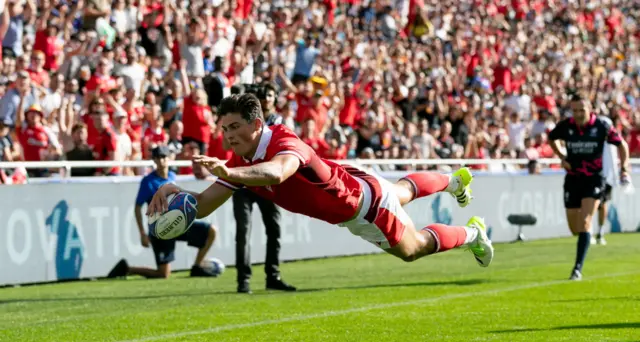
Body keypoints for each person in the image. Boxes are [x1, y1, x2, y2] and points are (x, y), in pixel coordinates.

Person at [147, 94, 493, 274]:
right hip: (355, 184)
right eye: (223, 129)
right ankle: (451, 179)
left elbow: (278, 173)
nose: (228, 136)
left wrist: (229, 174)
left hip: (364, 209)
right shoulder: (241, 161)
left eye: (234, 127)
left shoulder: (284, 142)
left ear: (256, 124)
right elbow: (205, 204)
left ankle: (474, 233)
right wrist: (173, 190)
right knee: (398, 192)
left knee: (413, 248)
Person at [548, 93, 631, 281]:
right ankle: (586, 237)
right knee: (575, 228)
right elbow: (551, 138)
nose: (578, 114)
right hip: (572, 178)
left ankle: (577, 269)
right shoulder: (566, 126)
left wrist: (624, 168)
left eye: (581, 110)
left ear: (590, 109)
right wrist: (562, 157)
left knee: (585, 221)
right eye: (575, 110)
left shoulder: (602, 126)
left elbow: (622, 145)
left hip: (594, 179)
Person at [108, 145, 218, 279]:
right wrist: (142, 233)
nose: (161, 161)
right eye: (157, 158)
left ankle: (197, 267)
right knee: (163, 274)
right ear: (153, 160)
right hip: (161, 228)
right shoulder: (148, 181)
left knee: (211, 231)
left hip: (178, 222)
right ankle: (127, 269)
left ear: (169, 158)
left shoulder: (172, 175)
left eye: (163, 157)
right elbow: (138, 207)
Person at [231, 83, 293, 294]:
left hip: (265, 181)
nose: (267, 98)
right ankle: (243, 280)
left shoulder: (278, 122)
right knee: (243, 231)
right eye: (263, 95)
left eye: (270, 94)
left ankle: (273, 275)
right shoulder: (244, 118)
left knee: (274, 229)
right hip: (244, 180)